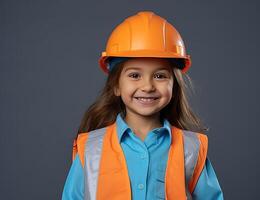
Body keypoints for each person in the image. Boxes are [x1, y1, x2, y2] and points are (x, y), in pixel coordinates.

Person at [62, 11, 223, 200]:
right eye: (134, 75)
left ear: (175, 86)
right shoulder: (90, 149)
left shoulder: (191, 149)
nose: (147, 86)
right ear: (116, 86)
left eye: (160, 76)